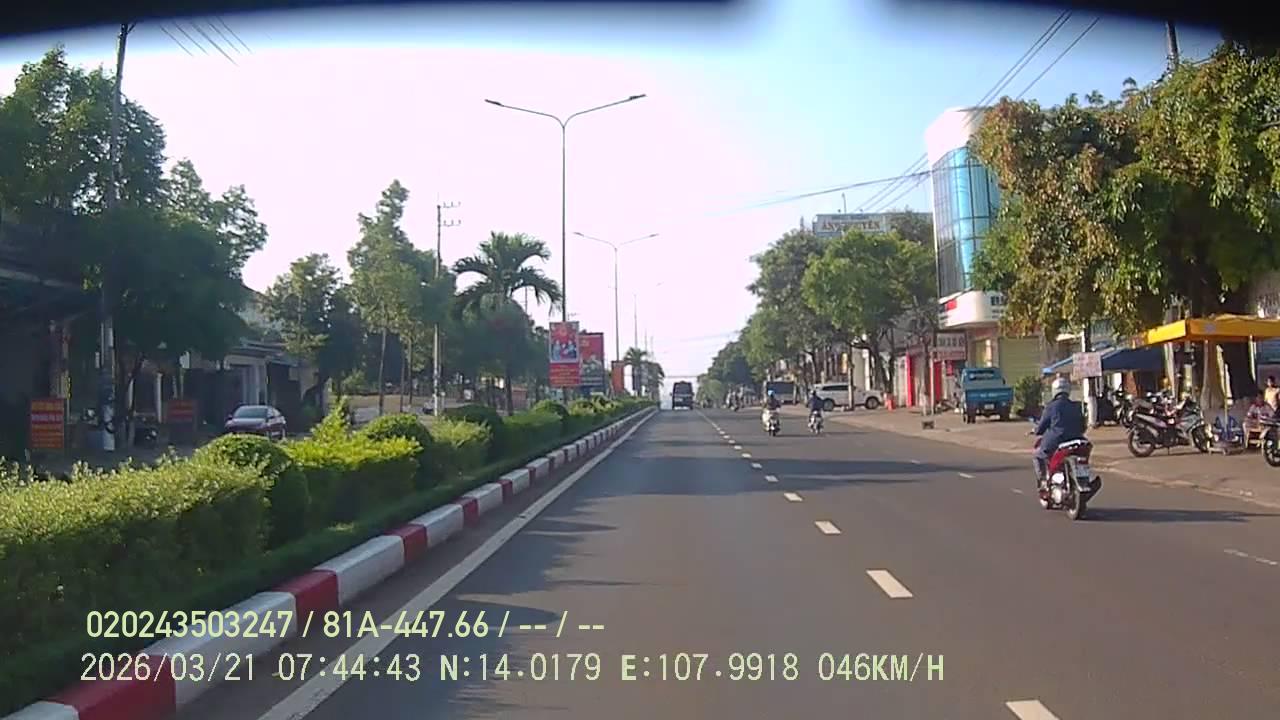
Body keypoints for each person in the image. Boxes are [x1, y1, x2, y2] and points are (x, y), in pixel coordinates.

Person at [1029, 376, 1086, 491]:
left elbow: (1042, 426)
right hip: (1077, 439)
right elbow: (1083, 425)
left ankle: (1043, 481)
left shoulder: (1051, 406)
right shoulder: (1076, 406)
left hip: (1057, 440)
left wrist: (1036, 431)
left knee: (1038, 455)